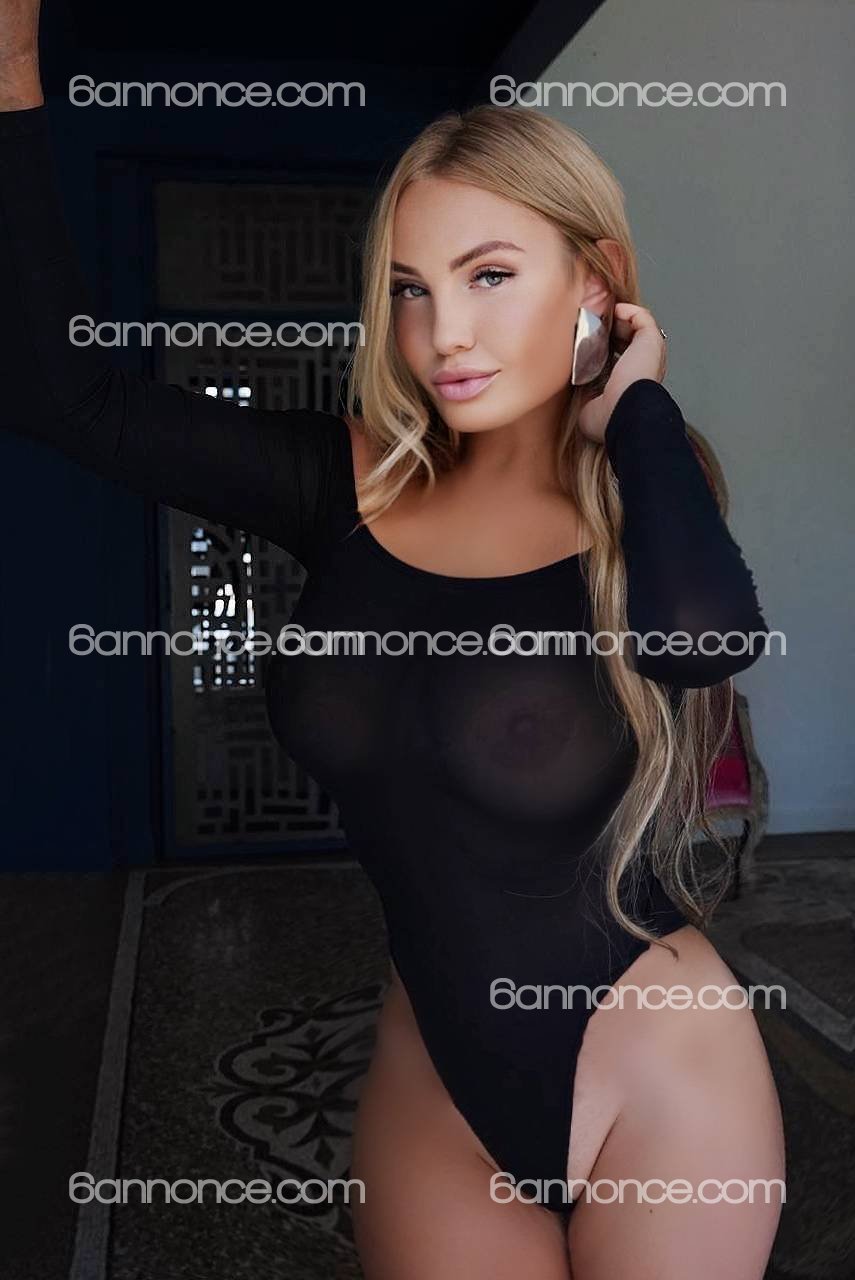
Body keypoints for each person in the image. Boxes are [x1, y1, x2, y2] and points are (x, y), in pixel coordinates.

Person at [0, 10, 784, 1277]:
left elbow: (704, 641)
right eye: (411, 290)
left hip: (658, 1065)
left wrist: (635, 403)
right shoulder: (343, 485)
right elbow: (59, 393)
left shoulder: (641, 496)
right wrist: (11, 65)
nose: (444, 333)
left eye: (489, 275)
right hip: (436, 1074)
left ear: (594, 282)